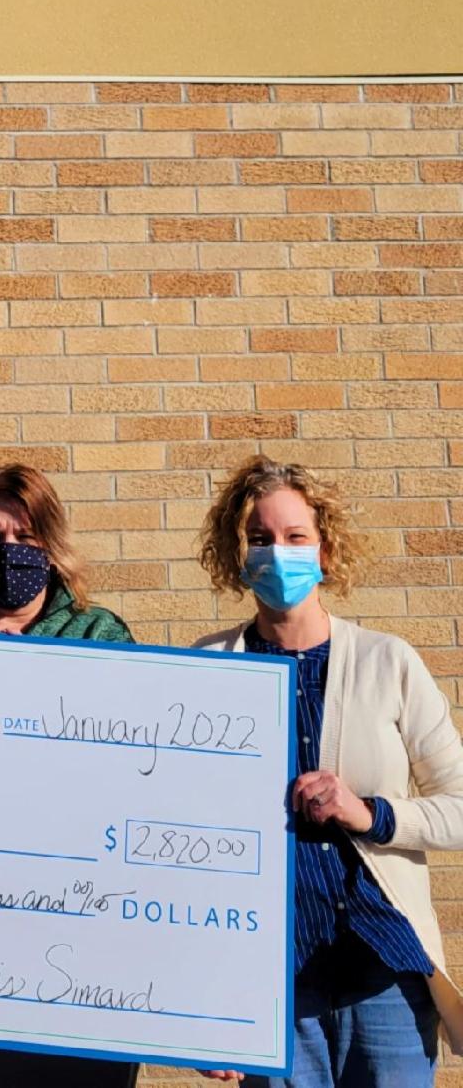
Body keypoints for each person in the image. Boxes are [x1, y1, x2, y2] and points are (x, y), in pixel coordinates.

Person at [194, 453, 463, 1087]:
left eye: (295, 537)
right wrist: (205, 1002)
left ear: (325, 549)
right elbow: (181, 840)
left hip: (384, 974)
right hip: (272, 985)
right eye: (259, 538)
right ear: (237, 552)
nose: (277, 553)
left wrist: (370, 814)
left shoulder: (387, 662)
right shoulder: (208, 666)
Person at [0, 462, 138, 1088]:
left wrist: (30, 676)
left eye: (25, 536)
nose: (8, 549)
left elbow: (125, 773)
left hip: (80, 936)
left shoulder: (99, 634)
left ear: (51, 545)